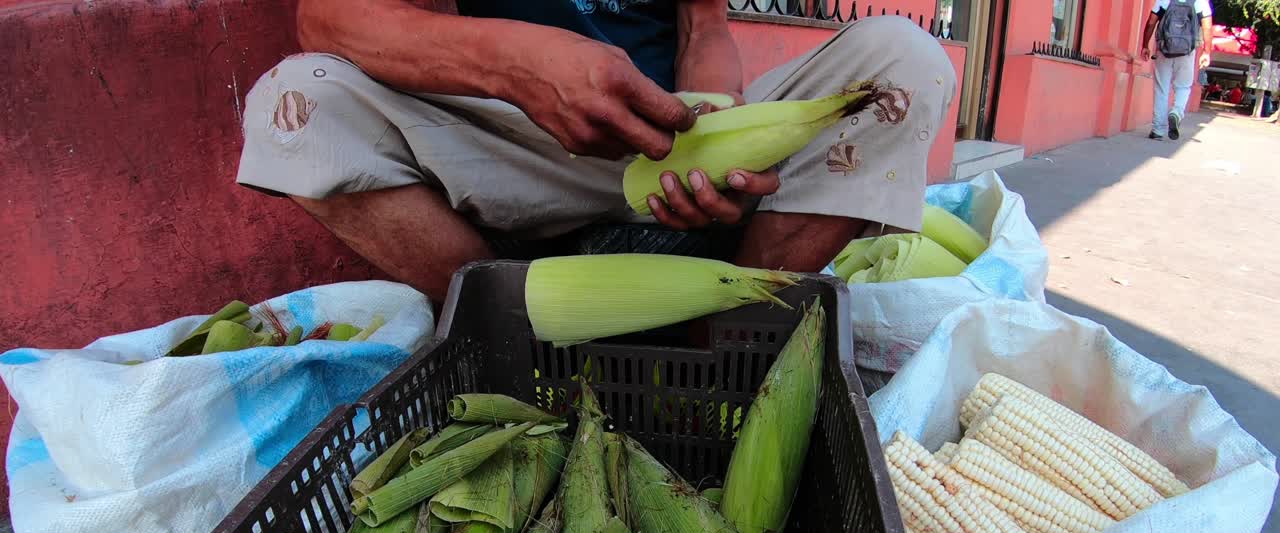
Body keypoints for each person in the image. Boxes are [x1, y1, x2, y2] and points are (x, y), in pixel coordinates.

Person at [236, 0, 955, 302]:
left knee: (904, 61)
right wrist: (513, 67)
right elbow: (328, 16)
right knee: (294, 108)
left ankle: (725, 327)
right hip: (515, 139)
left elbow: (704, 27)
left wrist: (715, 127)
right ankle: (507, 325)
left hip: (670, 135)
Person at [1141, 0, 1213, 140]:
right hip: (1187, 52)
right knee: (1184, 86)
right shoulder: (1200, 2)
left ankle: (1158, 130)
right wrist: (1206, 52)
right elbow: (1207, 27)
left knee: (1162, 88)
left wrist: (1145, 45)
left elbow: (1151, 22)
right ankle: (1176, 112)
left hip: (1164, 49)